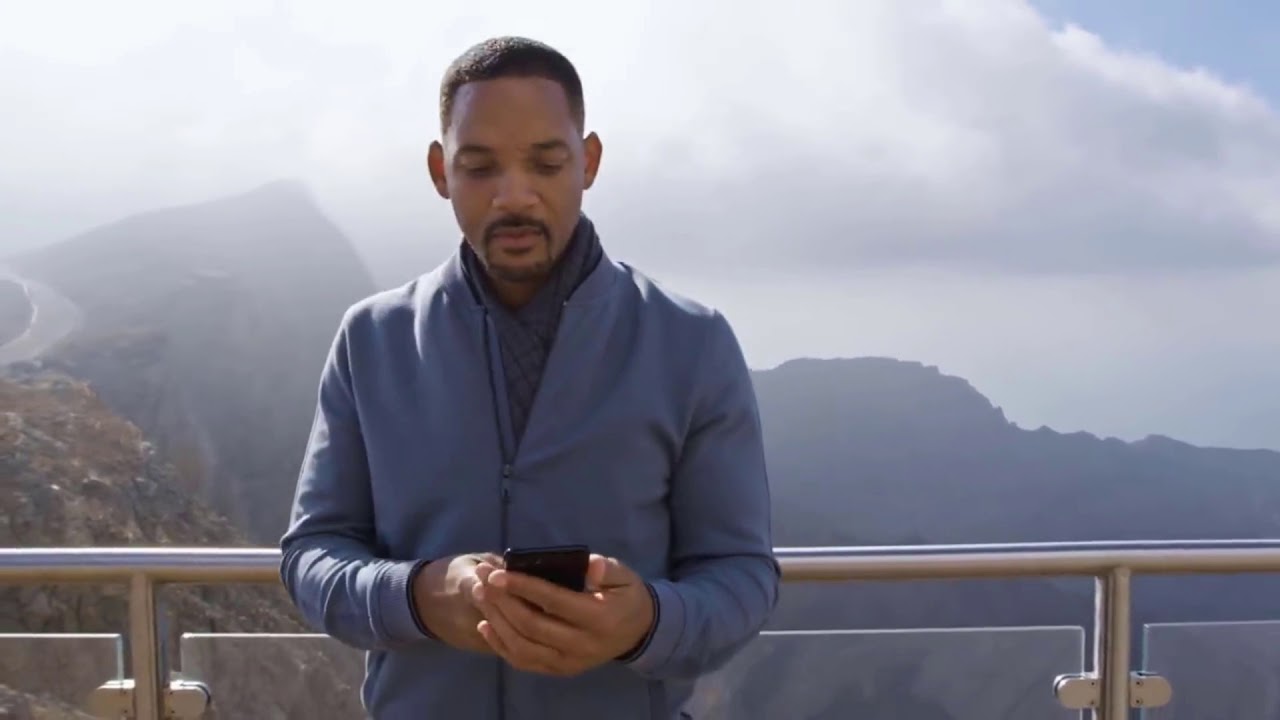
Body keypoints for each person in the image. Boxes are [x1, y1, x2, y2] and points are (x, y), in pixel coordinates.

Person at [279, 35, 779, 719]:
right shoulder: (372, 339)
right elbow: (312, 555)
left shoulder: (691, 343)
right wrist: (421, 597)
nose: (514, 197)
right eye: (479, 167)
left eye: (546, 163)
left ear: (589, 161)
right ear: (440, 170)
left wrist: (646, 622)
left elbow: (742, 575)